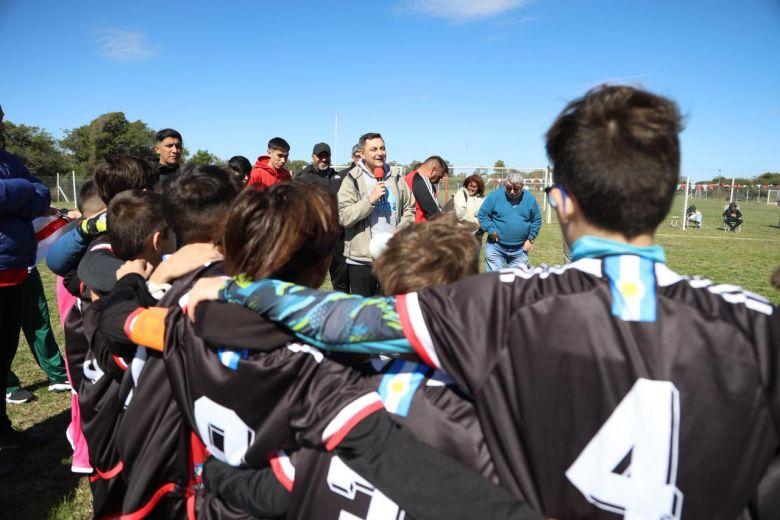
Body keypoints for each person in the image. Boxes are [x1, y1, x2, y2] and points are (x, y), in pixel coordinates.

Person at [187, 85, 780, 519]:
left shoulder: (501, 304)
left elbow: (343, 321)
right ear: (668, 194)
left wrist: (239, 287)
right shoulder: (759, 328)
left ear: (560, 201)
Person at [102, 182, 539, 520]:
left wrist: (134, 280)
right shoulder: (325, 368)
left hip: (209, 501)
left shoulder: (185, 323)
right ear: (321, 264)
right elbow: (315, 477)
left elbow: (118, 322)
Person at [0, 147, 51, 475]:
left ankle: (3, 433)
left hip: (14, 271)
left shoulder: (9, 160)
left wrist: (16, 194)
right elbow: (25, 190)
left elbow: (42, 194)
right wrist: (22, 189)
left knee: (4, 356)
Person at [337, 132, 415, 296]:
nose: (379, 153)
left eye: (382, 148)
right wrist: (370, 200)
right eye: (373, 149)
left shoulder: (396, 178)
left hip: (392, 258)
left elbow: (410, 209)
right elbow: (343, 216)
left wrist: (402, 227)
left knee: (391, 307)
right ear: (362, 154)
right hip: (362, 261)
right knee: (365, 309)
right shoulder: (352, 179)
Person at [297, 142, 348, 292]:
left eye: (327, 155)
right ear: (313, 157)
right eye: (320, 156)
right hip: (315, 237)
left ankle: (340, 305)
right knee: (309, 280)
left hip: (337, 237)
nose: (324, 159)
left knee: (340, 280)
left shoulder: (338, 177)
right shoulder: (304, 178)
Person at [477, 171, 541, 271]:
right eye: (508, 188)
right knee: (495, 279)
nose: (512, 191)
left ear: (522, 186)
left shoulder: (530, 199)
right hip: (495, 247)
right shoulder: (494, 196)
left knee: (518, 279)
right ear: (505, 184)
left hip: (520, 250)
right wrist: (491, 230)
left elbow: (536, 220)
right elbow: (482, 214)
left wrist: (530, 239)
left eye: (516, 188)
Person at [404, 156, 448, 222]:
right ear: (433, 170)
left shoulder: (408, 177)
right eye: (439, 177)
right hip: (421, 226)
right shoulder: (421, 179)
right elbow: (435, 213)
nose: (437, 181)